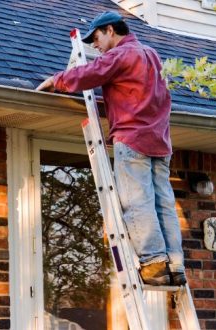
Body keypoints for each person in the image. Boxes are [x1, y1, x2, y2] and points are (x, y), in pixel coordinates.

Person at [36, 11, 186, 286]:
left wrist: (58, 80)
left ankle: (153, 264)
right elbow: (158, 98)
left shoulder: (121, 54)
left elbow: (92, 72)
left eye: (96, 38)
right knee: (163, 202)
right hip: (160, 142)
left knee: (136, 202)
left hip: (132, 139)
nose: (94, 46)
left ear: (110, 31)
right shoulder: (151, 54)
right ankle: (175, 265)